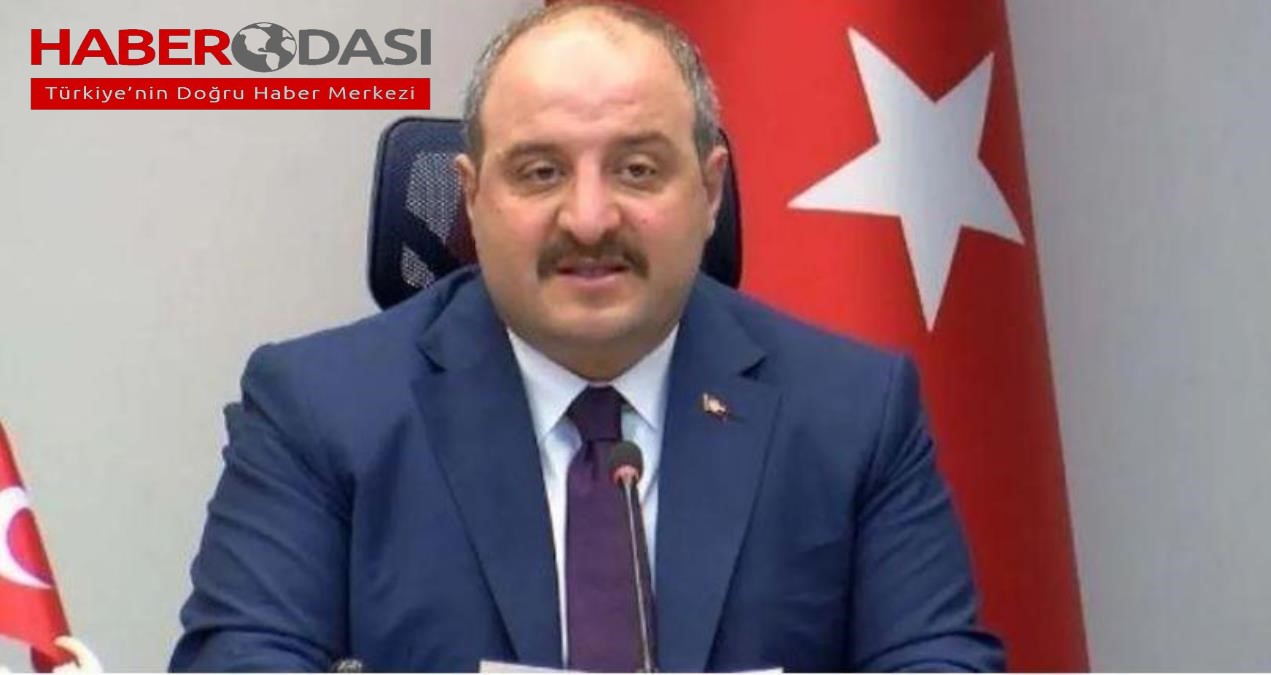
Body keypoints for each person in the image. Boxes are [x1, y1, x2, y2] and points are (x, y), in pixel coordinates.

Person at [170, 1, 1004, 671]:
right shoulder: (319, 410)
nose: (591, 217)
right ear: (471, 197)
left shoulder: (853, 410)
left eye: (637, 169)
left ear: (710, 190)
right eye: (541, 172)